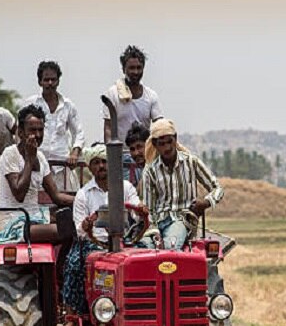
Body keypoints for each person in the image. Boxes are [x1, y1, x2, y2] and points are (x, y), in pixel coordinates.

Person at [62, 143, 146, 315]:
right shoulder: (83, 194)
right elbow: (79, 230)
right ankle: (74, 315)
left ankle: (141, 308)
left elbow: (137, 210)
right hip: (93, 243)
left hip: (124, 241)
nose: (101, 166)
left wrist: (141, 209)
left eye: (105, 161)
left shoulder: (126, 187)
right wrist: (86, 225)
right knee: (74, 265)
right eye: (96, 162)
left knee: (146, 258)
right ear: (90, 167)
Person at [0, 104, 74, 242]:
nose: (37, 135)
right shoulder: (10, 154)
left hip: (35, 217)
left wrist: (84, 200)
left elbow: (56, 196)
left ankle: (62, 263)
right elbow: (19, 194)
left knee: (73, 220)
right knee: (64, 230)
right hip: (12, 222)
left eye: (40, 130)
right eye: (32, 130)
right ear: (20, 132)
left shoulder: (41, 158)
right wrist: (30, 160)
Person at [141, 118, 223, 250]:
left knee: (171, 247)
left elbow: (217, 188)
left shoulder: (191, 162)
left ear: (175, 138)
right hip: (159, 223)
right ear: (155, 145)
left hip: (182, 220)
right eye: (162, 144)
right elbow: (149, 210)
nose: (167, 148)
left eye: (170, 142)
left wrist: (206, 202)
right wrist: (154, 233)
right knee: (143, 248)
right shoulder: (150, 171)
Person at [24, 60, 84, 192]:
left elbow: (79, 133)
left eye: (53, 79)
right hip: (36, 165)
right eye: (46, 80)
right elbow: (20, 132)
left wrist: (74, 153)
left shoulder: (68, 105)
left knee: (65, 204)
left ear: (58, 81)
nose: (50, 83)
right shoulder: (31, 103)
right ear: (40, 82)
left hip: (62, 167)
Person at [103, 45, 162, 143]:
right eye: (131, 68)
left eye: (139, 68)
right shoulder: (113, 94)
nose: (136, 72)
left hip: (144, 153)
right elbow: (108, 127)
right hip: (121, 153)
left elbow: (159, 125)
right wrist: (111, 153)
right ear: (123, 69)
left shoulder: (151, 96)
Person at [123, 122, 149, 188]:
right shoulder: (130, 169)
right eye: (132, 149)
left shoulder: (158, 167)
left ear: (149, 145)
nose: (136, 153)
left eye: (139, 147)